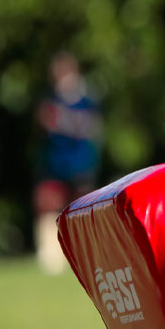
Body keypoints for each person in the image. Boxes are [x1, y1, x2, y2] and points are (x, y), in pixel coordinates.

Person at [35, 51, 104, 274]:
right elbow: (46, 122)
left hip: (81, 163)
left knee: (84, 208)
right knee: (48, 204)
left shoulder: (87, 102)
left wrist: (67, 121)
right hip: (55, 162)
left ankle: (89, 254)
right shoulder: (50, 101)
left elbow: (91, 128)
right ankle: (51, 257)